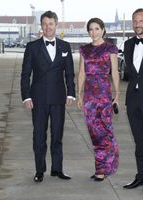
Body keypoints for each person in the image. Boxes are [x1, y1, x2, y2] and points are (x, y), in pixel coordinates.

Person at [21, 11, 75, 183]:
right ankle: (39, 170)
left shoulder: (65, 46)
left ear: (56, 25)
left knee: (57, 135)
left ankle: (57, 169)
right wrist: (26, 97)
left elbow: (69, 73)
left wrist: (71, 93)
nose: (47, 27)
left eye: (50, 24)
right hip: (38, 99)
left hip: (59, 98)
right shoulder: (32, 47)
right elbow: (25, 74)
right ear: (41, 26)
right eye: (44, 24)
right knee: (39, 136)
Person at [77, 18, 119, 181]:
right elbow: (81, 72)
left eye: (96, 29)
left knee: (106, 131)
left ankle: (104, 166)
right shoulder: (84, 50)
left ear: (103, 30)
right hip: (89, 95)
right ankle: (102, 167)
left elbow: (114, 72)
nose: (93, 32)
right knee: (94, 132)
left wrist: (117, 92)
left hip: (104, 94)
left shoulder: (110, 48)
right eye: (90, 29)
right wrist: (79, 93)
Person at [123, 8, 143, 189]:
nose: (137, 24)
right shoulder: (128, 44)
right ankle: (141, 176)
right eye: (135, 21)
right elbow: (129, 72)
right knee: (139, 141)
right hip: (133, 100)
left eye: (141, 20)